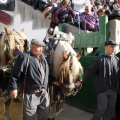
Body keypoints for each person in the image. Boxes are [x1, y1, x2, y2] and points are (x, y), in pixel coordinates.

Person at [8, 39, 49, 120]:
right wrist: (13, 88)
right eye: (38, 47)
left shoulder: (43, 59)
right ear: (31, 47)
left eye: (42, 47)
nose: (41, 49)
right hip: (31, 95)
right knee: (29, 118)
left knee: (44, 116)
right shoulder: (24, 57)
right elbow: (15, 74)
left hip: (43, 94)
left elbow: (47, 74)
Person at [83, 39, 120, 120]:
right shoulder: (99, 59)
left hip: (113, 90)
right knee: (101, 109)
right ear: (105, 47)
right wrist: (81, 80)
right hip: (103, 90)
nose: (113, 49)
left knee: (109, 111)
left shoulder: (117, 60)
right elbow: (89, 71)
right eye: (111, 47)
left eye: (114, 47)